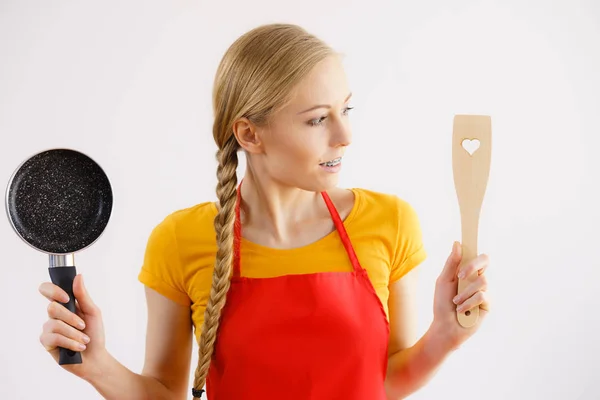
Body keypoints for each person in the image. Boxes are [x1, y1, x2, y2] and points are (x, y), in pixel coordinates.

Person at [38, 23, 490, 399]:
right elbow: (165, 392)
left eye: (346, 109)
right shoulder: (179, 240)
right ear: (250, 135)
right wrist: (95, 365)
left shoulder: (390, 222)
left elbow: (385, 381)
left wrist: (445, 335)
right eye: (317, 119)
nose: (345, 134)